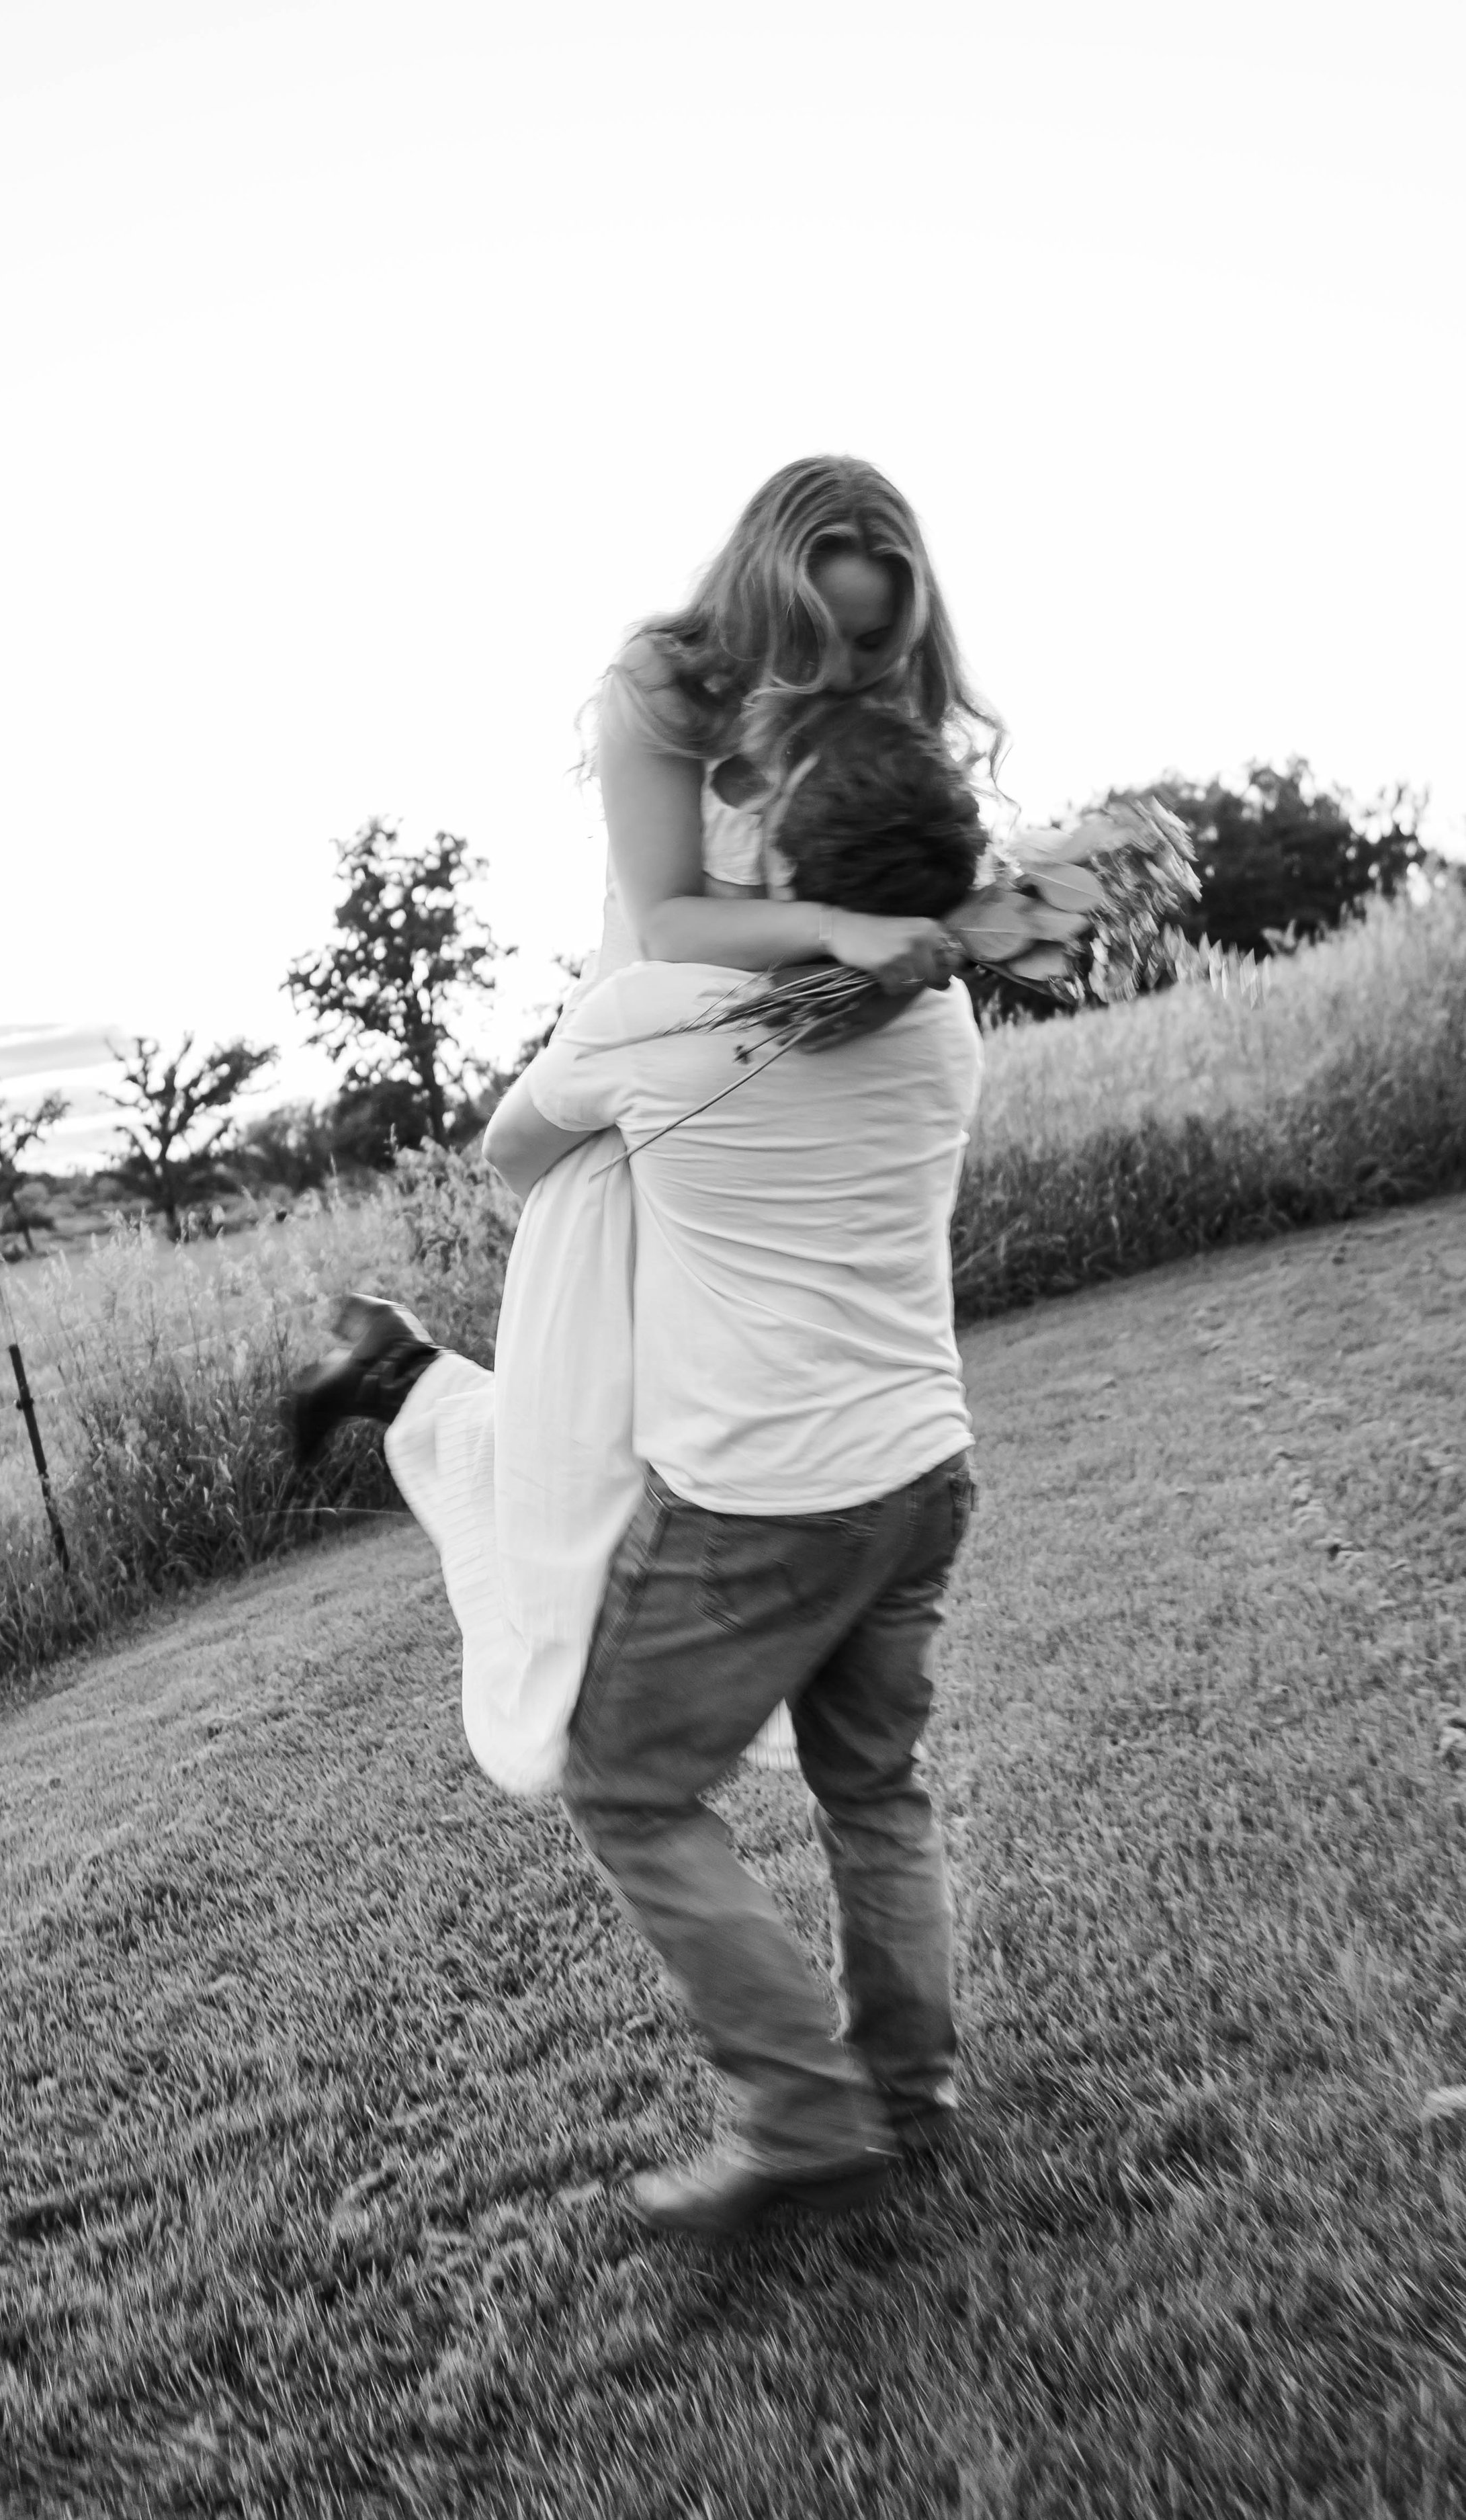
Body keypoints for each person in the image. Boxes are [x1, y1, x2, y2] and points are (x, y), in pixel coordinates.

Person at [318, 703, 988, 2238]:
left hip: (762, 1495)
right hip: (922, 1467)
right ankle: (909, 2088)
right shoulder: (947, 1025)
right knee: (874, 1787)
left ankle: (806, 2110)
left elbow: (511, 1149)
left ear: (799, 871)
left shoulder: (662, 1018)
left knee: (625, 1786)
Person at [289, 456, 996, 1793]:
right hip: (647, 1104)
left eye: (871, 639)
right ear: (765, 599)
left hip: (756, 1121)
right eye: (825, 633)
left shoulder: (860, 705)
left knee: (668, 1465)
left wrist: (973, 925)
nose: (848, 667)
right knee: (580, 1501)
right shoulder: (659, 688)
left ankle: (403, 1374)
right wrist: (843, 931)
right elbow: (672, 922)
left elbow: (898, 870)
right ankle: (403, 1385)